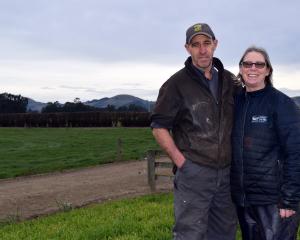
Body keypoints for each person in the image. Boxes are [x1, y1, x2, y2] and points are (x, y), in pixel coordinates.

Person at [150, 22, 239, 240]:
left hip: (227, 174)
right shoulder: (176, 84)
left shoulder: (229, 81)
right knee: (190, 233)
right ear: (187, 48)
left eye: (206, 43)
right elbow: (159, 127)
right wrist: (183, 164)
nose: (202, 50)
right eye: (195, 44)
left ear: (215, 45)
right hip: (195, 173)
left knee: (225, 232)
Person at [230, 46, 300, 240]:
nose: (253, 68)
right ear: (241, 68)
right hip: (245, 200)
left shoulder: (282, 104)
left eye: (259, 64)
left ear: (268, 70)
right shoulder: (235, 103)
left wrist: (290, 200)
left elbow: (295, 153)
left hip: (275, 202)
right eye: (247, 64)